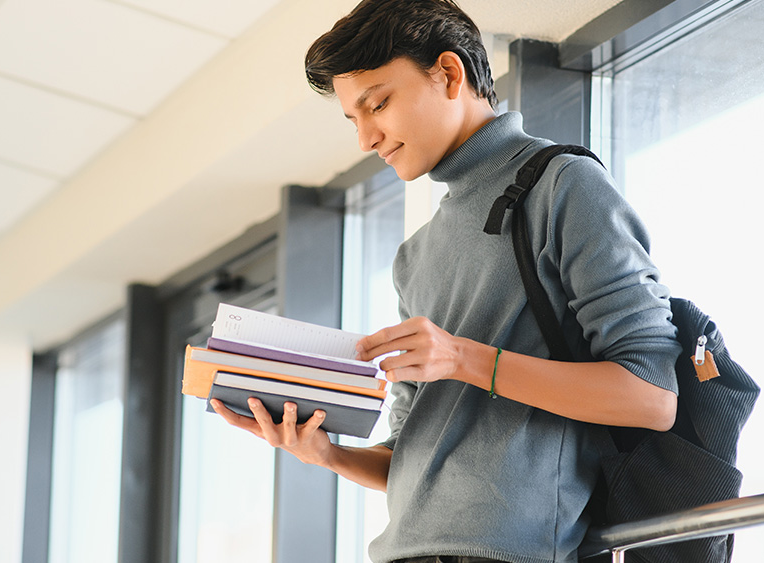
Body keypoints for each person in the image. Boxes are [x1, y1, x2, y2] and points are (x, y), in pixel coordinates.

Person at [212, 1, 681, 561]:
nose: (366, 138)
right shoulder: (415, 256)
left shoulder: (562, 187)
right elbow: (412, 452)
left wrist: (463, 358)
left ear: (450, 73)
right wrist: (327, 455)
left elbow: (652, 398)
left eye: (378, 104)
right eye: (353, 120)